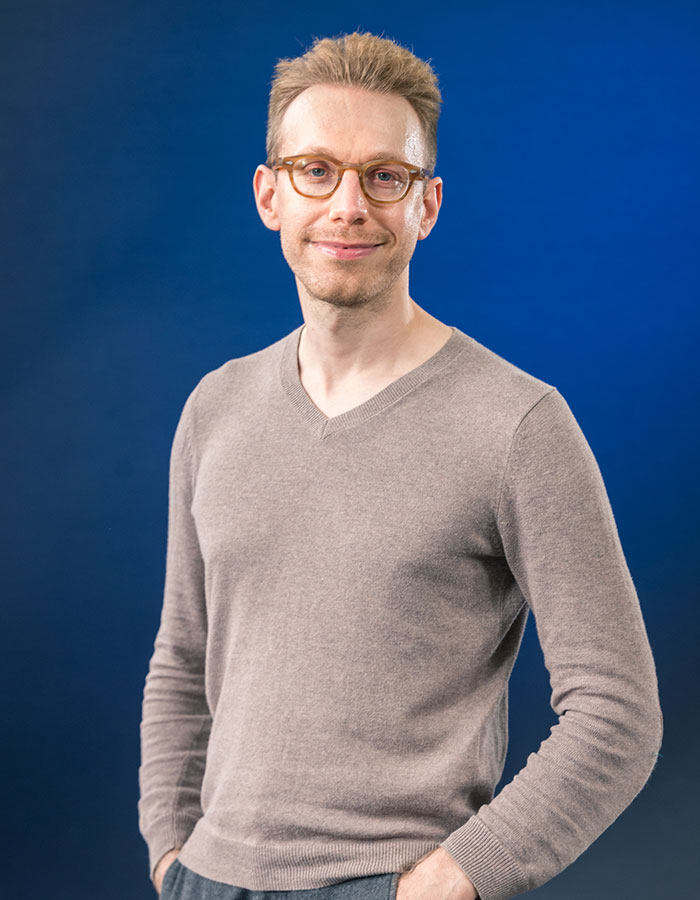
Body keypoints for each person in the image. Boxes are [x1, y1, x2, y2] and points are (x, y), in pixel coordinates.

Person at [138, 32, 662, 900]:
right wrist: (172, 852)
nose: (349, 205)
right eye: (316, 170)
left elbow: (619, 713)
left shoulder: (519, 424)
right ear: (269, 194)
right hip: (207, 878)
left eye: (385, 176)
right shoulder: (214, 410)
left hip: (392, 883)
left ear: (428, 204)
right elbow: (181, 659)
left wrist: (454, 880)